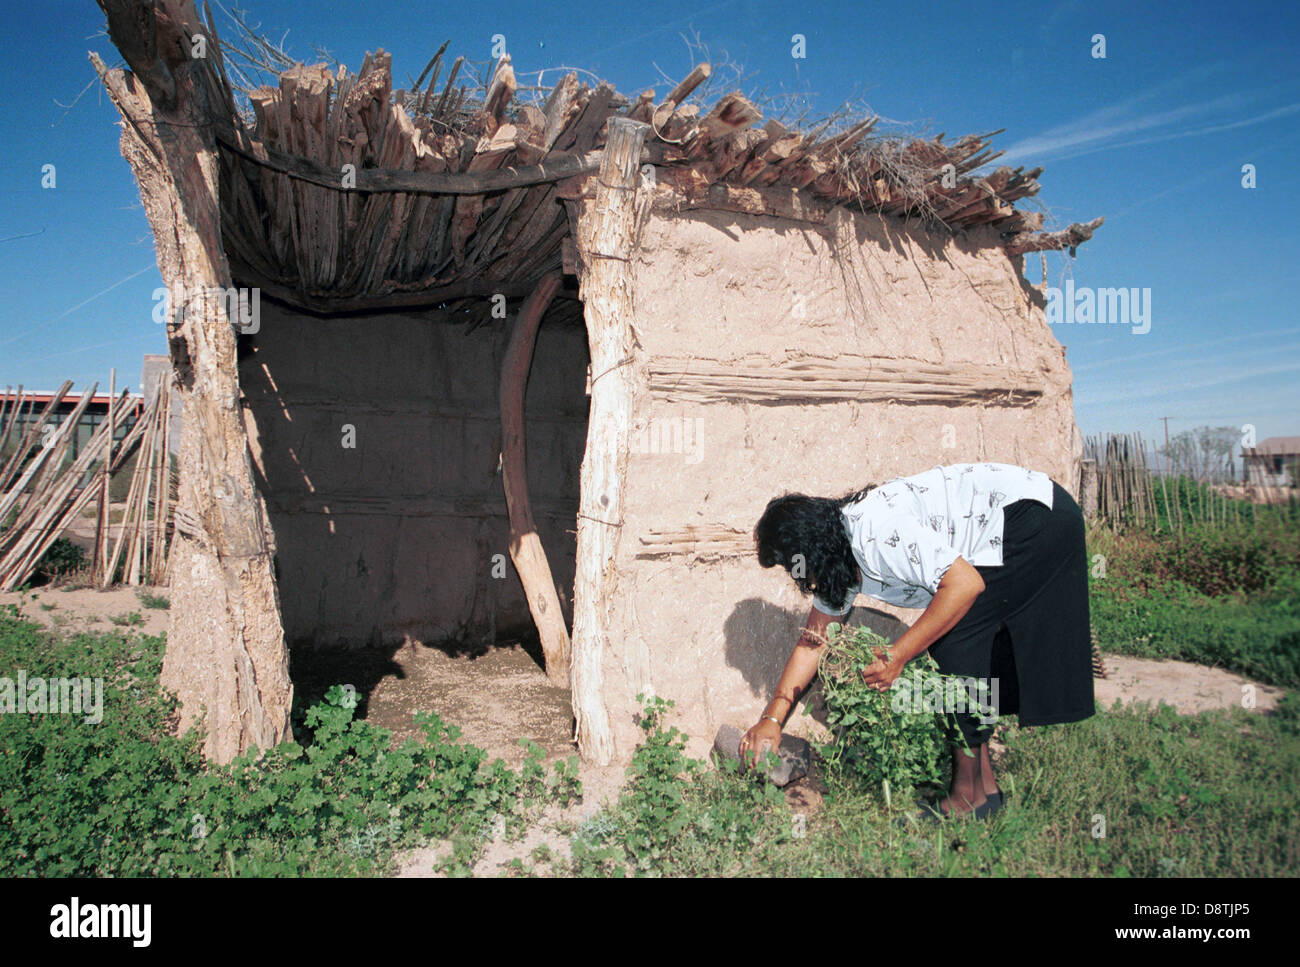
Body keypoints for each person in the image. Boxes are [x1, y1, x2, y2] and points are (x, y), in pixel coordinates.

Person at [747, 462, 1095, 820]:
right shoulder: (839, 558)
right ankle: (985, 789)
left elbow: (965, 585)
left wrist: (898, 654)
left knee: (955, 642)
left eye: (795, 566)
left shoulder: (875, 532)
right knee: (965, 640)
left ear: (813, 550)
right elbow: (813, 642)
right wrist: (771, 720)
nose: (799, 576)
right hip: (1035, 513)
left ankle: (966, 798)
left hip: (1034, 516)